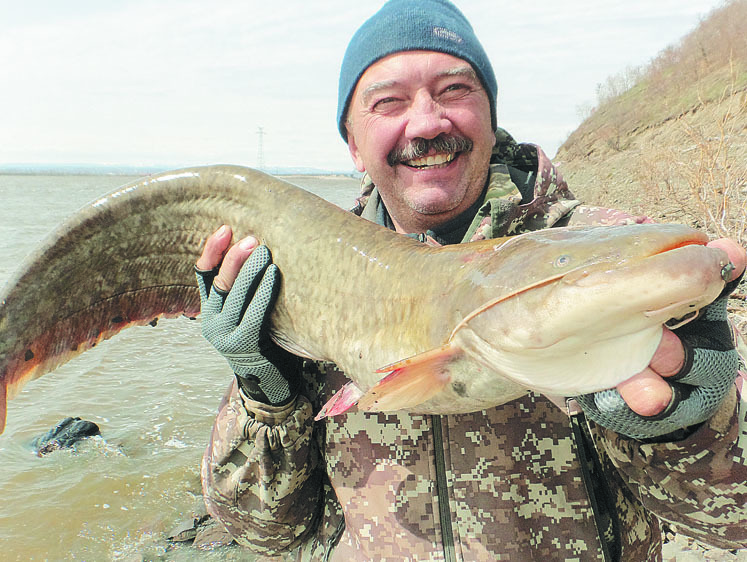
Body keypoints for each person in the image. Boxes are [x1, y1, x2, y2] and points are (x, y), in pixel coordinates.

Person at [194, 1, 747, 559]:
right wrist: (265, 392)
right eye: (388, 101)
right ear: (355, 146)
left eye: (455, 90)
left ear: (490, 114)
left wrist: (693, 424)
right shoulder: (297, 278)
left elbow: (736, 522)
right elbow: (265, 532)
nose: (428, 123)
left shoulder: (610, 243)